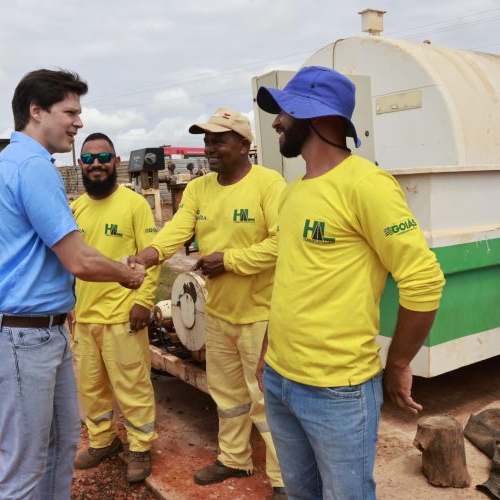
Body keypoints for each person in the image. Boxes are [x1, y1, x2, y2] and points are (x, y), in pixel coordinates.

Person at [254, 66, 446, 499]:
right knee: (301, 493)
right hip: (281, 380)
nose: (276, 120)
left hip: (337, 391)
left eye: (284, 110)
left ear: (317, 117)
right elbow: (291, 277)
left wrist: (397, 364)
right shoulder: (294, 190)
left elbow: (423, 281)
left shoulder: (368, 185)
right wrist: (269, 350)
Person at [0, 69, 146, 500]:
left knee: (58, 446)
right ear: (36, 111)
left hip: (38, 332)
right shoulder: (32, 166)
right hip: (21, 337)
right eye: (70, 111)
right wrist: (127, 273)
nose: (78, 122)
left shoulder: (9, 161)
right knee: (26, 467)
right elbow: (78, 258)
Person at [130, 108, 287, 498]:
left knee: (267, 402)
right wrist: (147, 256)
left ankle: (285, 479)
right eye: (207, 139)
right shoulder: (200, 189)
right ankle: (235, 458)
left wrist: (229, 260)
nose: (210, 147)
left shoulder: (270, 184)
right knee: (228, 396)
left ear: (244, 145)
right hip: (218, 312)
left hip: (261, 315)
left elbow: (282, 244)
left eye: (219, 139)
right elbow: (178, 229)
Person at [70, 132, 160, 483]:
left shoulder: (134, 205)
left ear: (116, 162)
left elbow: (153, 257)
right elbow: (71, 261)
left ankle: (139, 447)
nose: (96, 165)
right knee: (90, 388)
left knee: (133, 386)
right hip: (85, 316)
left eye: (103, 157)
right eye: (89, 159)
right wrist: (69, 307)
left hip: (123, 317)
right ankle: (102, 441)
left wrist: (142, 301)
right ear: (80, 164)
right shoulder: (76, 207)